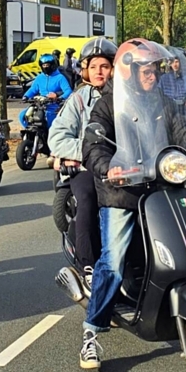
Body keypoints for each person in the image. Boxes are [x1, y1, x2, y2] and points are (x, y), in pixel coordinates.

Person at [78, 38, 186, 370]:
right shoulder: (108, 105)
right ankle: (92, 334)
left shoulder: (167, 103)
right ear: (131, 71)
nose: (152, 74)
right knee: (113, 259)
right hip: (122, 192)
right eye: (146, 69)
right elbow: (93, 143)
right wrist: (108, 166)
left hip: (163, 188)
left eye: (156, 69)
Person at [47, 37, 117, 292]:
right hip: (88, 167)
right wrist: (89, 153)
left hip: (125, 167)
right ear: (85, 70)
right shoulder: (78, 100)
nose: (100, 71)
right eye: (94, 66)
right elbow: (56, 137)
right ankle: (87, 265)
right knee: (88, 197)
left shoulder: (128, 96)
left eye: (105, 66)